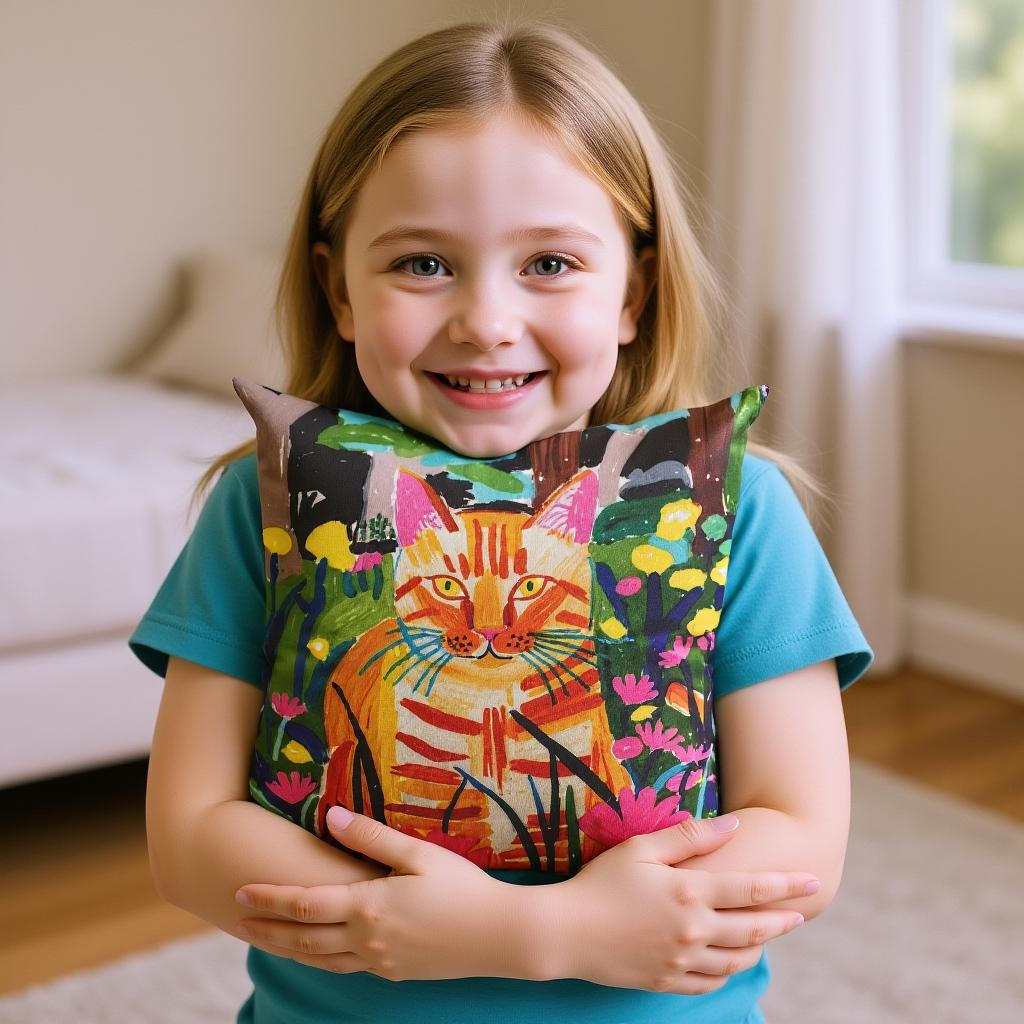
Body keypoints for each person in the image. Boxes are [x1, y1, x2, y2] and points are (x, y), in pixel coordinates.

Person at [130, 18, 872, 1024]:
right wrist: (493, 928)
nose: (485, 319)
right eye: (423, 264)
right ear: (336, 289)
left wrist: (533, 935)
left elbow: (801, 840)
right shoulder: (265, 507)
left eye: (551, 264)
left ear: (633, 291)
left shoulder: (738, 509)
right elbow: (188, 839)